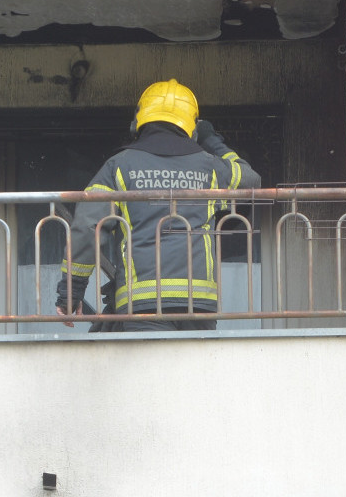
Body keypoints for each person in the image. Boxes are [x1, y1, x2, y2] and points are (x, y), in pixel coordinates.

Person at [56, 79, 261, 331]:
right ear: (191, 126)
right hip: (197, 304)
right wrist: (212, 140)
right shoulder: (211, 167)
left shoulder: (119, 166)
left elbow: (89, 227)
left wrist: (71, 293)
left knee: (149, 372)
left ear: (138, 121)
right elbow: (251, 179)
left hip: (143, 305)